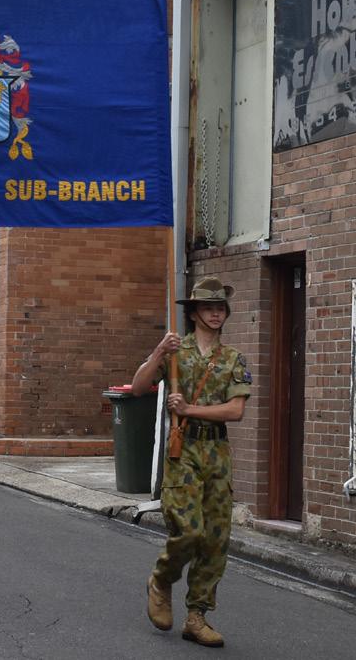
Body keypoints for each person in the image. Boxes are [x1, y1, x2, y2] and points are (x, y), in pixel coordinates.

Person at [132, 277, 250, 648]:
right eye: (208, 307)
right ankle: (162, 579)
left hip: (217, 453)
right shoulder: (175, 352)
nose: (216, 313)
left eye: (220, 308)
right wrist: (157, 353)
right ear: (194, 313)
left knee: (215, 540)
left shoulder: (232, 359)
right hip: (182, 452)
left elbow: (235, 410)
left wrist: (188, 409)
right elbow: (138, 387)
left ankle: (197, 616)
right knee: (188, 531)